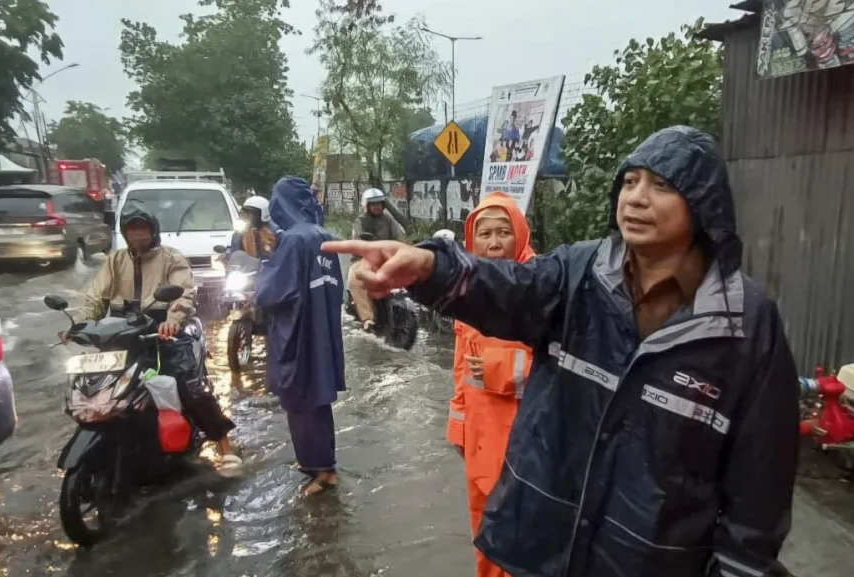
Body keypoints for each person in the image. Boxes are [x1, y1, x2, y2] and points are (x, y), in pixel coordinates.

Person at [323, 126, 799, 577]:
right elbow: (509, 288)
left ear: (702, 202)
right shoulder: (579, 273)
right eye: (630, 181)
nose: (636, 197)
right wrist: (429, 266)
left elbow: (760, 487)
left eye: (660, 185)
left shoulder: (744, 324)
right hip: (544, 550)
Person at [79, 199, 241, 468]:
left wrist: (172, 319)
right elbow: (95, 298)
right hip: (123, 332)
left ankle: (224, 446)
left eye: (142, 228)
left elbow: (184, 292)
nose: (138, 234)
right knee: (98, 386)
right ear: (124, 232)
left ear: (152, 230)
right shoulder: (114, 260)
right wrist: (82, 325)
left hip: (163, 331)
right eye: (132, 229)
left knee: (189, 387)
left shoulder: (171, 257)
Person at [447, 192, 535, 577]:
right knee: (483, 532)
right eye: (484, 233)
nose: (494, 242)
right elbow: (461, 370)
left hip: (525, 443)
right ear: (471, 240)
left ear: (519, 235)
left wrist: (503, 368)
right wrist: (458, 427)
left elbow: (566, 363)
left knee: (521, 540)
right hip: (479, 441)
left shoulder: (542, 287)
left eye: (503, 232)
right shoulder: (467, 288)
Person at [254, 176, 344, 496]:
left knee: (301, 401)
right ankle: (315, 462)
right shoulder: (321, 234)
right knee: (316, 400)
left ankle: (323, 473)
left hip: (298, 334)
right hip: (322, 332)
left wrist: (267, 259)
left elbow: (269, 294)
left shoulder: (292, 240)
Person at [347, 188, 405, 331]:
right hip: (363, 259)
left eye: (379, 203)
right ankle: (367, 319)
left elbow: (398, 237)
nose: (377, 206)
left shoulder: (388, 219)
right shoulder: (360, 221)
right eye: (373, 204)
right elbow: (358, 240)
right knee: (354, 280)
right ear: (366, 206)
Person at [228, 196, 277, 260]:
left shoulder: (274, 232)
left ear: (261, 213)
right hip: (246, 268)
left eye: (250, 213)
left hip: (270, 267)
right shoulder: (240, 233)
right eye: (245, 212)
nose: (246, 215)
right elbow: (234, 253)